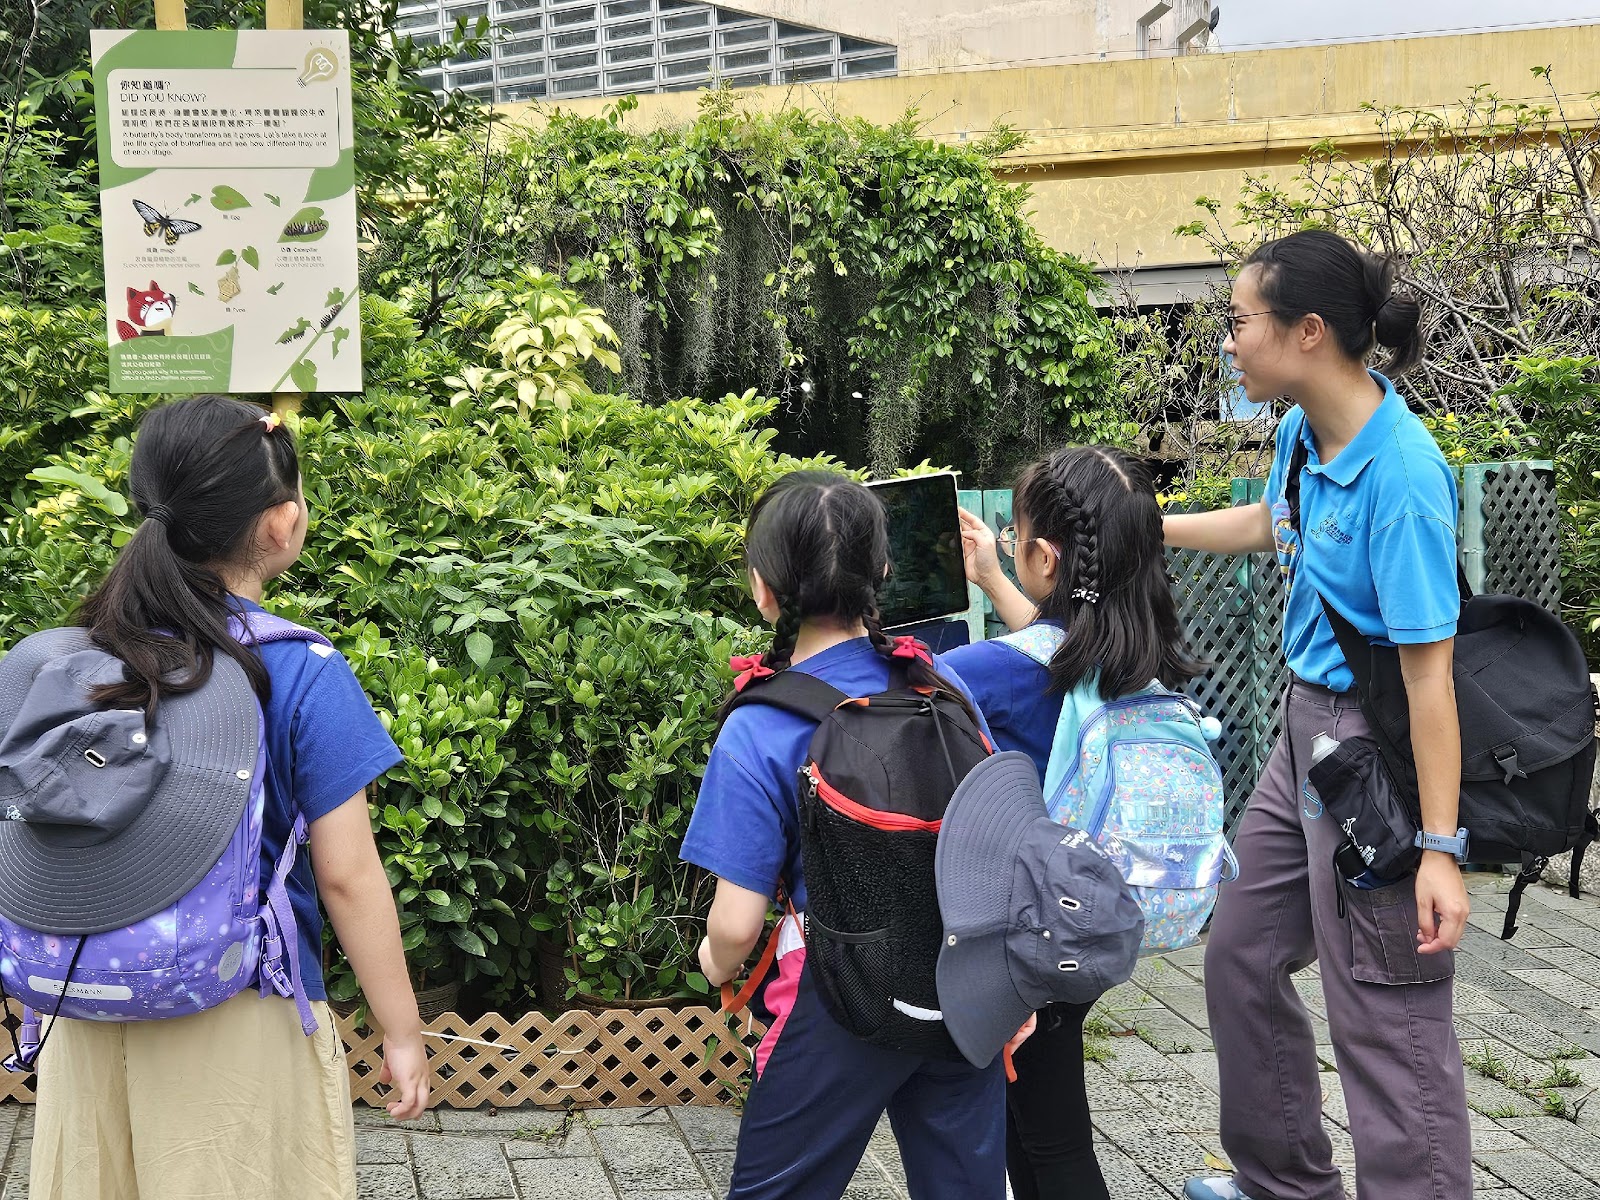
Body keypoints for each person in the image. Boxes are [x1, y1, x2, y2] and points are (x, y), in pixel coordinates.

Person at [25, 396, 429, 1200]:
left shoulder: (77, 658)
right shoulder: (302, 669)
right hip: (235, 1002)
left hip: (86, 993)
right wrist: (402, 1030)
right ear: (281, 524)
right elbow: (348, 876)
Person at [1167, 230, 1472, 1200]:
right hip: (1302, 736)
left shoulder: (1403, 482)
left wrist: (1437, 849)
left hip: (1368, 758)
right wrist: (1149, 526)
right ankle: (1285, 1184)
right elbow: (1272, 524)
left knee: (1382, 1010)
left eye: (1237, 322)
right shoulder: (1303, 431)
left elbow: (1430, 684)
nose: (1227, 342)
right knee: (1239, 957)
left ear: (1305, 333)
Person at [681, 470, 1018, 1200]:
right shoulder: (942, 691)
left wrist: (713, 964)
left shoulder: (760, 726)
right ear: (884, 574)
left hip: (836, 998)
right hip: (963, 993)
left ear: (763, 589)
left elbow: (736, 924)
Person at [952, 446, 1206, 1200]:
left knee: (1050, 1138)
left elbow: (1003, 672)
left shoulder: (984, 674)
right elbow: (1055, 650)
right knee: (1038, 1115)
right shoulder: (1134, 660)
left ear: (1045, 554)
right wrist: (997, 578)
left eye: (1018, 537)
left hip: (1028, 933)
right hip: (1094, 914)